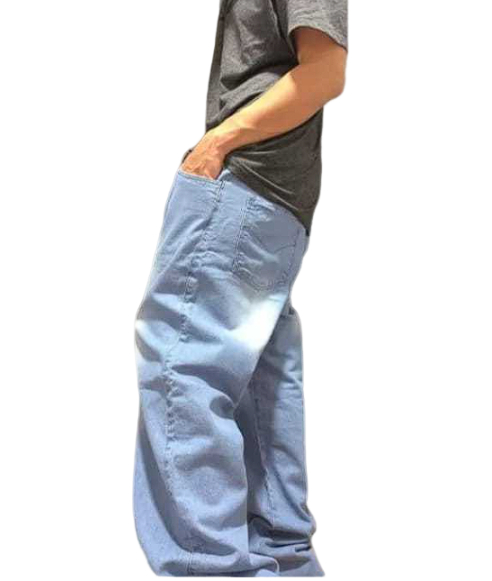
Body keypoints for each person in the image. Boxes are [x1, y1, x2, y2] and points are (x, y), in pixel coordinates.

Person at [133, 0, 348, 576]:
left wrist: (218, 144)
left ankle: (213, 567)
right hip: (274, 195)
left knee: (183, 360)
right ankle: (283, 560)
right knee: (260, 381)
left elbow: (325, 72)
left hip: (247, 180)